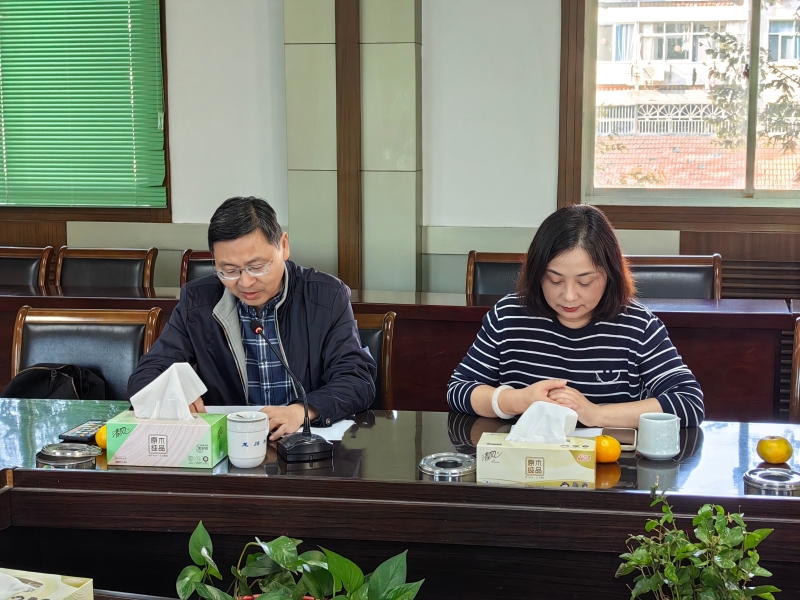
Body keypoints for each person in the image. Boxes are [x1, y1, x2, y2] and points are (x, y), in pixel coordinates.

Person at [128, 196, 377, 440]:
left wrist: (302, 410)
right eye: (229, 270)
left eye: (257, 267)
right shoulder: (197, 301)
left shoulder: (327, 296)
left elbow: (357, 379)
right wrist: (169, 393)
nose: (245, 282)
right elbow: (148, 372)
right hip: (228, 445)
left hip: (304, 445)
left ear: (284, 246)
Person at [447, 205, 704, 428]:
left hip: (606, 464)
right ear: (537, 274)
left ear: (610, 275)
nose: (569, 296)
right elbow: (459, 389)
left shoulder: (638, 325)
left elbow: (689, 402)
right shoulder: (508, 316)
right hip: (523, 461)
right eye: (554, 280)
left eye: (585, 282)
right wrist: (519, 400)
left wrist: (595, 414)